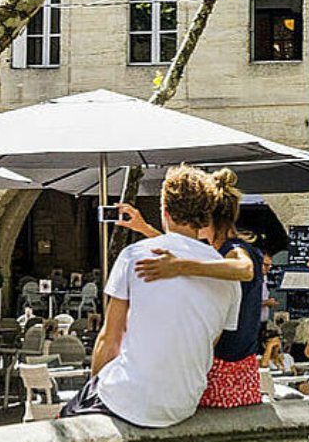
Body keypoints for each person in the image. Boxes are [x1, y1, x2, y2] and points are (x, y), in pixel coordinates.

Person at [59, 165, 240, 427]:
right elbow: (205, 343)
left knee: (63, 424)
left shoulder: (135, 255)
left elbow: (109, 340)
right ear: (206, 214)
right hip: (184, 404)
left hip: (128, 399)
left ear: (164, 210)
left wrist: (94, 389)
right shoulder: (227, 274)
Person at [113, 171, 268, 409]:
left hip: (223, 369)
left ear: (206, 220)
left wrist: (179, 267)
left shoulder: (234, 248)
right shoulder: (219, 253)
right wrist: (145, 229)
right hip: (241, 369)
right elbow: (182, 249)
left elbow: (244, 269)